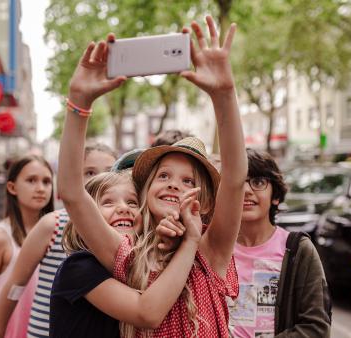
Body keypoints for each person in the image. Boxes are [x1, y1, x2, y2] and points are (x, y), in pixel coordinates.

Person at [57, 15, 247, 337]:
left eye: (189, 182)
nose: (174, 184)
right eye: (163, 176)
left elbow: (235, 179)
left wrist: (224, 95)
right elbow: (72, 192)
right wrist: (79, 102)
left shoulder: (211, 249)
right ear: (144, 191)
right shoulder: (126, 253)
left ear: (206, 203)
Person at [50, 171, 202, 337]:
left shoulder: (138, 264)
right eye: (107, 202)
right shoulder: (80, 266)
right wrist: (191, 241)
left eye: (132, 202)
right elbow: (147, 314)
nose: (123, 208)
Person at [0, 144, 118, 338]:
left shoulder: (123, 228)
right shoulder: (53, 224)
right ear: (74, 177)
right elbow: (15, 285)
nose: (99, 179)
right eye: (89, 172)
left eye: (109, 172)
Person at [228, 149, 331, 337]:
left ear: (275, 195)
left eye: (258, 182)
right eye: (238, 182)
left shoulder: (297, 250)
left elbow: (316, 328)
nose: (247, 190)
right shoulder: (213, 249)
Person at [0, 155, 54, 338]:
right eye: (31, 180)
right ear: (12, 187)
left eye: (47, 182)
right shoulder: (0, 238)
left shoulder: (59, 234)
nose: (40, 188)